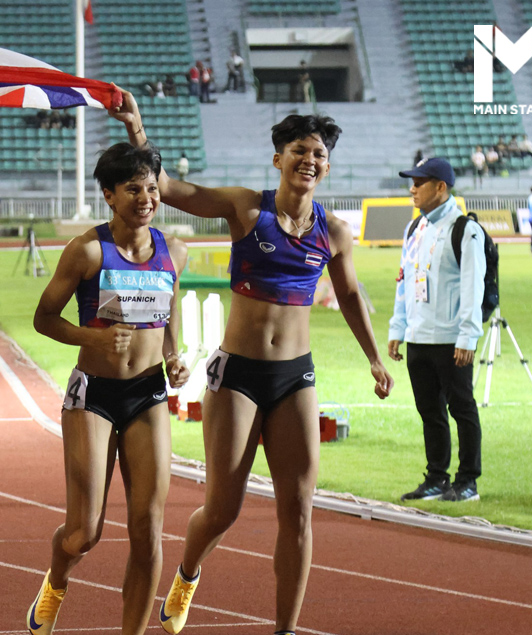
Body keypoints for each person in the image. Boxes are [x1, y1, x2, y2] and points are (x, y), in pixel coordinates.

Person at [109, 89, 392, 635]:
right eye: (299, 151)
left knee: (299, 509)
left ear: (327, 167)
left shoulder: (333, 232)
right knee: (223, 509)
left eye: (319, 154)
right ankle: (188, 572)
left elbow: (351, 295)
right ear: (278, 158)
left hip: (294, 377)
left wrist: (375, 359)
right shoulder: (248, 209)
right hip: (237, 375)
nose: (309, 160)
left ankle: (286, 629)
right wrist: (136, 127)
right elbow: (172, 189)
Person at [24, 142, 190, 635]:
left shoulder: (174, 250)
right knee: (84, 531)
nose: (146, 198)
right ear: (109, 195)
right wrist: (92, 337)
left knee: (148, 530)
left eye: (151, 188)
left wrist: (173, 355)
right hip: (93, 395)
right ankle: (56, 579)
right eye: (133, 189)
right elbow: (43, 318)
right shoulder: (88, 251)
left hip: (148, 393)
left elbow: (169, 309)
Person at [389, 158, 484, 504]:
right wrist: (398, 327)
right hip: (418, 338)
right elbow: (404, 281)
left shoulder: (465, 229)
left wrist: (468, 336)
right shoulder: (414, 228)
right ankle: (436, 478)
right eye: (412, 182)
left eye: (419, 182)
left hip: (451, 340)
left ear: (440, 187)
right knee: (430, 412)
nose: (412, 189)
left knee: (462, 410)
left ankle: (468, 481)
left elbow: (473, 287)